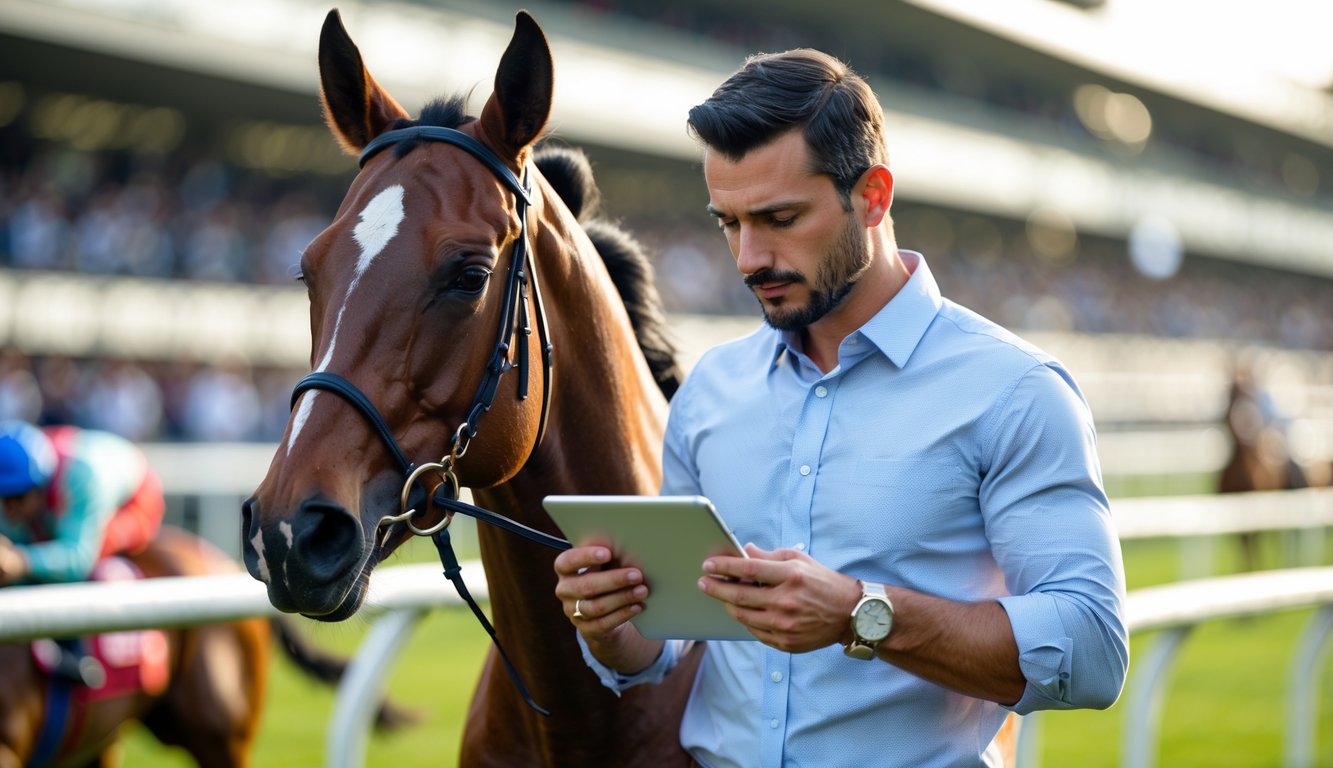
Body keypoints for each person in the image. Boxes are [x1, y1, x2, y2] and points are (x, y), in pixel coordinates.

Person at [553, 48, 1128, 767]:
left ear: (873, 196)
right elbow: (668, 643)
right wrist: (612, 626)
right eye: (727, 223)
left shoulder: (1013, 392)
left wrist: (861, 613)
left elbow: (1091, 650)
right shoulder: (710, 390)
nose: (747, 258)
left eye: (779, 217)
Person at [0, 420, 165, 587]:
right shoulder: (33, 465)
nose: (8, 510)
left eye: (16, 498)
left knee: (100, 574)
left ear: (41, 485)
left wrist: (20, 560)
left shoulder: (81, 477)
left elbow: (78, 557)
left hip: (135, 499)